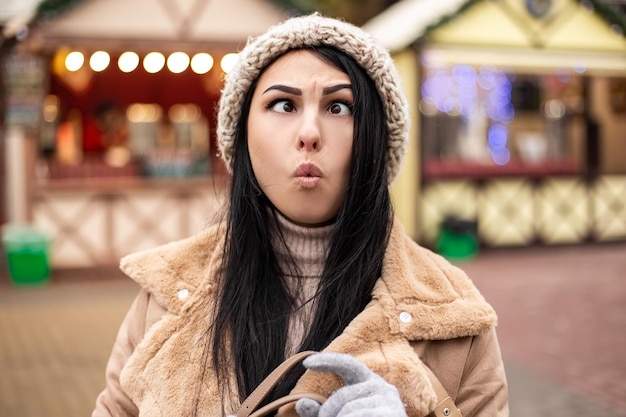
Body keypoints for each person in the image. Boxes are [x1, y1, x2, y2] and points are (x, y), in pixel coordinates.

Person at [92, 13, 509, 417]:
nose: (309, 133)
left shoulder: (458, 321)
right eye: (283, 104)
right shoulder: (164, 298)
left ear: (378, 141)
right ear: (243, 136)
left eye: (340, 107)